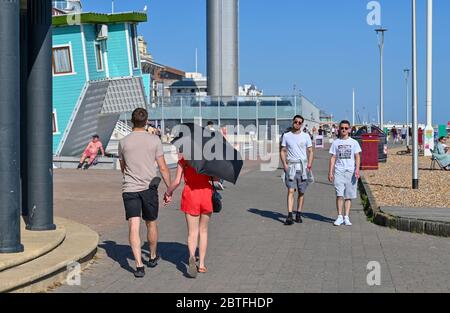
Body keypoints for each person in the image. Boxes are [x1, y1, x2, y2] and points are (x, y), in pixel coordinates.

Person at [118, 108, 172, 278]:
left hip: (130, 189)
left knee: (133, 226)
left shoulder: (123, 142)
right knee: (151, 222)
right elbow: (163, 167)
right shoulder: (154, 140)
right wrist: (169, 189)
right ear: (146, 121)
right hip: (149, 189)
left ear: (132, 121)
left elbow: (123, 168)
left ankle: (139, 266)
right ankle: (153, 256)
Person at [165, 154, 215, 278]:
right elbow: (216, 179)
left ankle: (192, 257)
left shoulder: (184, 159)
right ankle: (202, 264)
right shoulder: (210, 158)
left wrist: (168, 192)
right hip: (206, 195)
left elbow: (177, 181)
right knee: (203, 231)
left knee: (192, 233)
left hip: (191, 195)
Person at [280, 115, 314, 226]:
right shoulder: (286, 136)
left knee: (301, 192)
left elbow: (310, 151)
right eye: (296, 122)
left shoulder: (306, 136)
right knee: (290, 191)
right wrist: (284, 164)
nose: (298, 124)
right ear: (292, 122)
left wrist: (309, 164)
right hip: (291, 168)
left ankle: (298, 213)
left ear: (302, 124)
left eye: (300, 123)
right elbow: (282, 150)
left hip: (303, 168)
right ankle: (289, 215)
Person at [328, 120, 362, 227]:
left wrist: (357, 169)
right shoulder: (336, 142)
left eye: (346, 128)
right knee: (339, 195)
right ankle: (339, 216)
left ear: (350, 130)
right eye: (342, 128)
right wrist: (330, 172)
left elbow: (357, 157)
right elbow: (333, 157)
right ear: (339, 129)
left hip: (350, 172)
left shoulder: (354, 142)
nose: (344, 130)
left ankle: (346, 217)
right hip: (339, 171)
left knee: (348, 196)